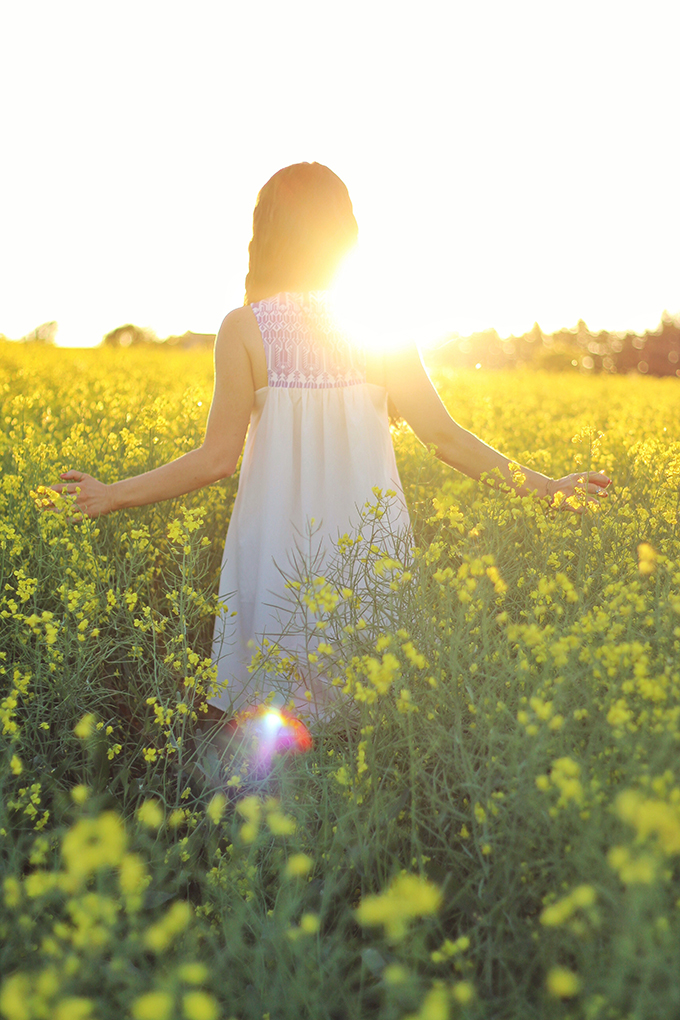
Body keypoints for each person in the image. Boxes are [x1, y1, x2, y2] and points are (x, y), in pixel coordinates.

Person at [50, 162, 611, 724]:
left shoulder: (243, 328)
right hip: (368, 551)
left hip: (275, 549)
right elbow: (445, 438)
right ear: (345, 232)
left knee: (270, 727)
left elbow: (216, 459)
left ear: (266, 231)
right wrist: (546, 488)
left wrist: (113, 494)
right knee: (374, 727)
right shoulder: (383, 327)